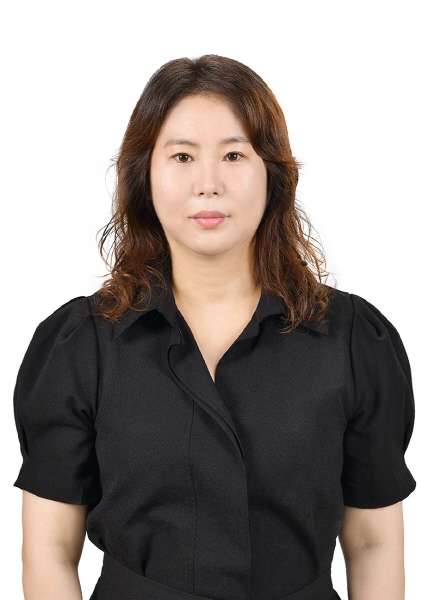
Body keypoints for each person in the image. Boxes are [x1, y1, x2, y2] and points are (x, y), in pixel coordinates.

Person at [13, 55, 416, 600]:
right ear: (144, 175)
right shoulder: (81, 344)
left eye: (234, 155)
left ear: (273, 173)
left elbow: (373, 544)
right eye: (182, 156)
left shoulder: (352, 340)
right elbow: (49, 551)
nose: (208, 184)